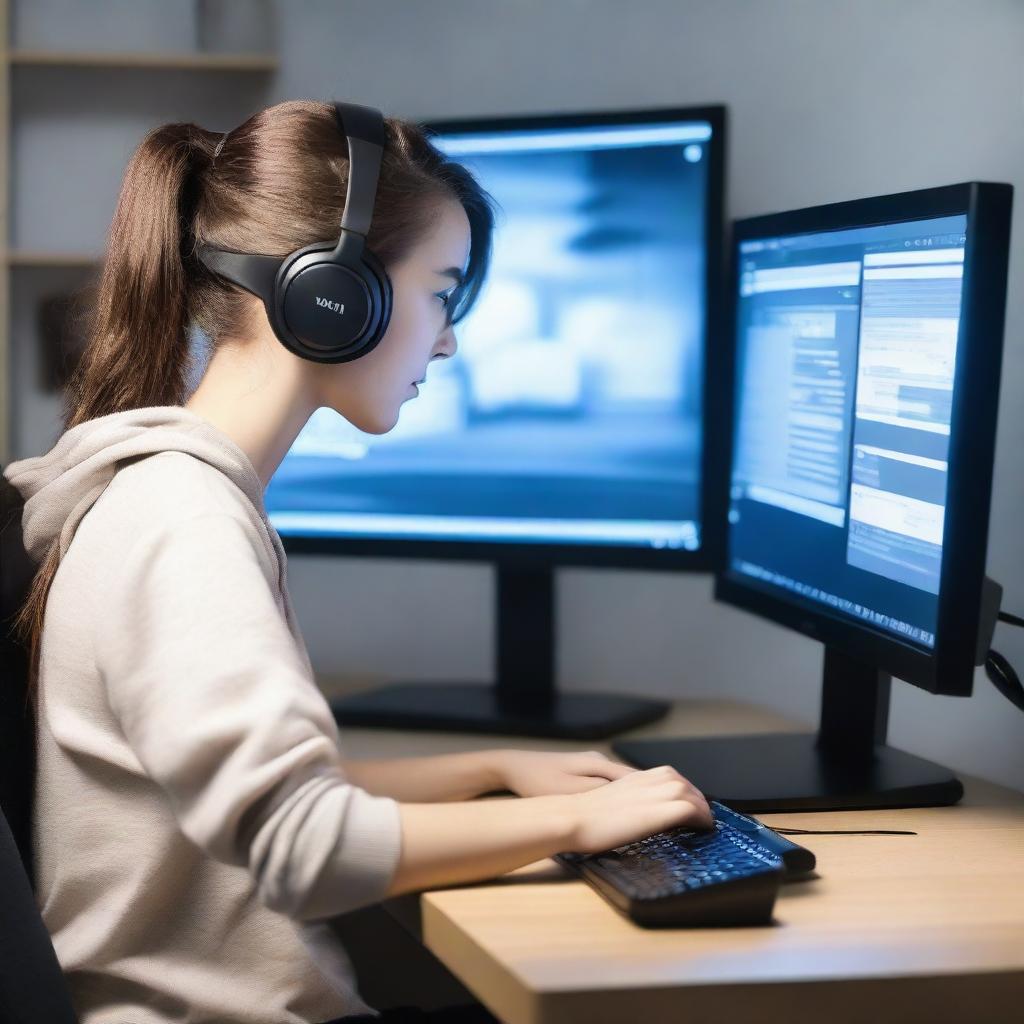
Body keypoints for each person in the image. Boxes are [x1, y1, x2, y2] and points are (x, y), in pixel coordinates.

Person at [3, 99, 712, 1024]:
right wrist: (583, 822)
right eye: (442, 292)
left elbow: (247, 803)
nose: (449, 339)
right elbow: (301, 846)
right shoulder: (183, 520)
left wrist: (490, 769)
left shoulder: (160, 491)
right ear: (332, 294)